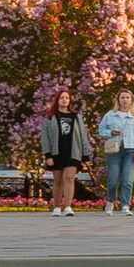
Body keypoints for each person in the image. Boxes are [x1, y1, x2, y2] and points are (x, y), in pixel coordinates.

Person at [39, 86, 91, 219]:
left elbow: (83, 135)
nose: (64, 100)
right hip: (57, 152)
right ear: (57, 100)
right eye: (62, 98)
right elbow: (45, 137)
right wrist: (48, 155)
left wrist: (85, 155)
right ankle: (57, 207)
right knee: (58, 180)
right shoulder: (50, 117)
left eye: (67, 98)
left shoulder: (76, 117)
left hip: (73, 152)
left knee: (69, 178)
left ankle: (68, 206)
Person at [97, 89, 134, 215]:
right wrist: (111, 132)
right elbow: (101, 130)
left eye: (127, 98)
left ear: (131, 100)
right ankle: (110, 201)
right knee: (113, 178)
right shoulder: (110, 115)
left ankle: (125, 205)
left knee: (128, 180)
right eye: (122, 97)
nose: (125, 100)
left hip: (130, 150)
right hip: (114, 149)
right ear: (118, 100)